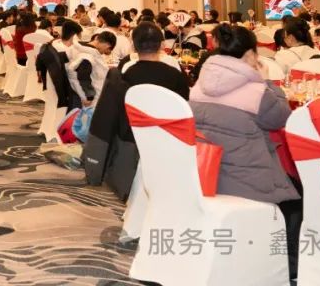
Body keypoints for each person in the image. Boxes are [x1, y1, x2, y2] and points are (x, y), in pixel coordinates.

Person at [190, 23, 300, 279]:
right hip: (247, 181)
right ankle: (288, 267)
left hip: (205, 175)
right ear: (250, 54)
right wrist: (266, 80)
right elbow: (282, 117)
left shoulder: (198, 86)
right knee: (297, 199)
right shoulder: (258, 91)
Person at [122, 22, 189, 99]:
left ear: (133, 47)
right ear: (162, 45)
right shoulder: (175, 75)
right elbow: (184, 102)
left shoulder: (126, 74)